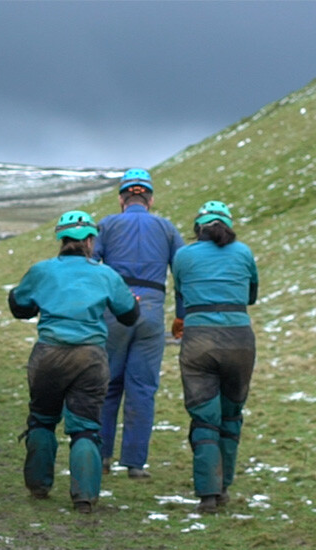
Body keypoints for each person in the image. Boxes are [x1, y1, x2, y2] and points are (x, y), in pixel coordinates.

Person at [8, 211, 140, 514]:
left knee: (42, 418)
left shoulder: (42, 271)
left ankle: (39, 485)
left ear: (61, 239)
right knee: (86, 428)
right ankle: (84, 497)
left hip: (48, 353)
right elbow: (129, 315)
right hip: (90, 357)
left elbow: (19, 307)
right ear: (90, 241)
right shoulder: (106, 274)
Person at [92, 168, 185, 478]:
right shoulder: (167, 228)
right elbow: (183, 271)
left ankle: (101, 458)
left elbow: (90, 268)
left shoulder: (106, 225)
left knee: (107, 386)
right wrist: (181, 314)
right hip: (152, 315)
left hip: (114, 312)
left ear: (122, 198)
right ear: (150, 199)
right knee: (142, 388)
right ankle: (134, 463)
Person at [172, 201, 258, 514]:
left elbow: (181, 292)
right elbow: (251, 295)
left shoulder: (183, 255)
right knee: (231, 413)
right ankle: (224, 488)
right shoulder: (244, 252)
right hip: (239, 338)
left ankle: (208, 494)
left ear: (199, 228)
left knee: (204, 416)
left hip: (199, 339)